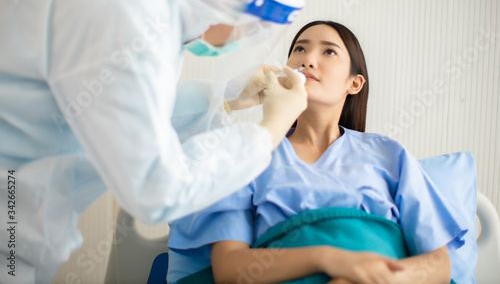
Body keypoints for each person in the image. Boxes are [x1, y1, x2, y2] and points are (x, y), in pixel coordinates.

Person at [0, 0, 308, 282]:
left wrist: (227, 99)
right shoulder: (124, 9)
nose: (242, 38)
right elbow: (157, 190)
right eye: (250, 28)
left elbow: (122, 116)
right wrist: (268, 132)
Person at [167, 21, 468, 284]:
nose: (308, 59)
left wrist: (375, 277)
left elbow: (438, 265)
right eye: (299, 49)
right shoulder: (249, 152)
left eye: (328, 52)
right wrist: (327, 258)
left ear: (354, 83)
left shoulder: (389, 154)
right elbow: (230, 269)